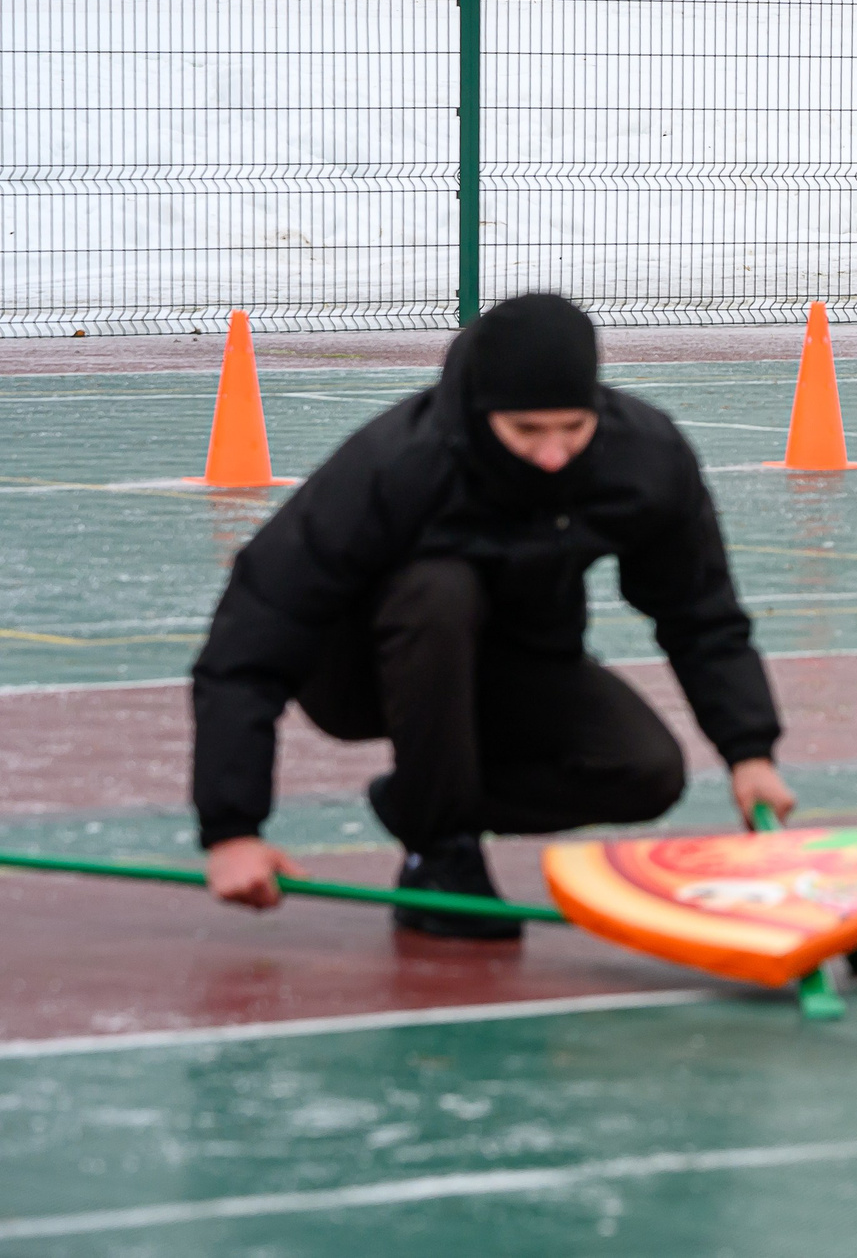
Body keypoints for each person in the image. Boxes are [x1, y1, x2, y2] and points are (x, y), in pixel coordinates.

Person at [190, 293, 793, 940]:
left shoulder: (642, 456)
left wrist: (749, 751)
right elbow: (255, 630)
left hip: (520, 658)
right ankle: (441, 852)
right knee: (439, 588)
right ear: (483, 413)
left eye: (573, 427)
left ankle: (419, 802)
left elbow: (699, 610)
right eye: (527, 431)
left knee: (643, 771)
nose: (554, 453)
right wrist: (233, 829)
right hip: (366, 671)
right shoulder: (398, 462)